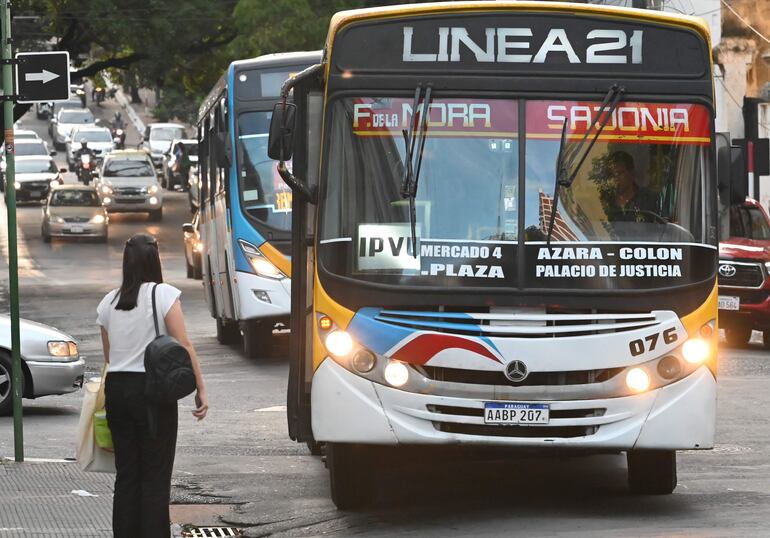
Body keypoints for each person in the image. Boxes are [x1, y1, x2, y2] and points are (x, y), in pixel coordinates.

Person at [97, 233, 208, 538]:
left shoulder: (108, 302)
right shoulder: (164, 295)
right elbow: (183, 345)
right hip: (152, 392)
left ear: (126, 261)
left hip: (117, 390)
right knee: (155, 476)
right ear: (155, 260)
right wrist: (201, 389)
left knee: (127, 474)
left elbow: (110, 355)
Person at [604, 150, 656, 220]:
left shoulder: (649, 200)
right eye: (611, 175)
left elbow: (665, 227)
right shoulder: (605, 201)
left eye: (619, 173)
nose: (615, 179)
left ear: (631, 173)